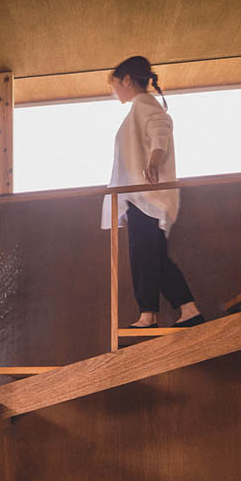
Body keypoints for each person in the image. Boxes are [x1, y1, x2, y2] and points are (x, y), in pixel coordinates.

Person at [103, 55, 204, 329]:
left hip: (146, 196)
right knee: (150, 256)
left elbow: (161, 128)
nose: (112, 91)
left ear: (126, 80)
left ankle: (153, 314)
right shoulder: (139, 108)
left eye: (114, 84)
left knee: (146, 255)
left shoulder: (145, 105)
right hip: (140, 197)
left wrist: (153, 162)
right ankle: (181, 310)